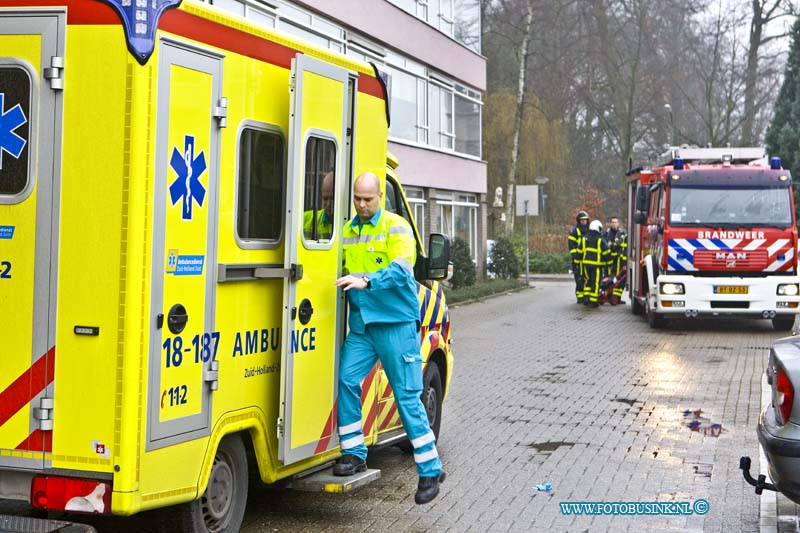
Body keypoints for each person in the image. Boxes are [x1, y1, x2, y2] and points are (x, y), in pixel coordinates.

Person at [333, 172, 445, 505]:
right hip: (364, 327)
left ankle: (429, 470)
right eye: (357, 198)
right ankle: (354, 453)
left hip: (396, 325)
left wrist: (367, 281)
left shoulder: (396, 226)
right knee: (347, 379)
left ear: (380, 196)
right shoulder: (349, 230)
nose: (362, 205)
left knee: (408, 398)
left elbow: (402, 268)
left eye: (368, 199)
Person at [581, 220, 611, 308]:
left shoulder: (584, 238)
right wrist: (610, 264)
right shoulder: (600, 240)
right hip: (596, 266)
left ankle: (586, 298)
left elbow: (579, 252)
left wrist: (577, 263)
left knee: (587, 281)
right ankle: (593, 301)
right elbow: (607, 253)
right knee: (595, 283)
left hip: (585, 265)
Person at [602, 217, 627, 305]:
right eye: (612, 222)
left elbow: (621, 246)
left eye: (616, 222)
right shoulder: (606, 233)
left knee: (619, 279)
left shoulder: (622, 233)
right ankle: (608, 296)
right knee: (609, 278)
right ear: (610, 223)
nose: (614, 224)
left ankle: (617, 298)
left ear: (618, 223)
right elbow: (605, 245)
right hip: (609, 260)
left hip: (619, 260)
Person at [303, 171, 334, 240]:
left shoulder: (348, 224)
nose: (328, 204)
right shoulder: (305, 219)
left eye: (332, 198)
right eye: (325, 199)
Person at [568, 211, 590, 303]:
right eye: (582, 220)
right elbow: (571, 245)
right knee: (579, 279)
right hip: (577, 260)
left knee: (587, 278)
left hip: (587, 259)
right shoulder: (574, 231)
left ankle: (586, 297)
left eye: (585, 220)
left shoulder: (590, 230)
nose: (584, 222)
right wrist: (576, 256)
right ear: (578, 221)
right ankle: (580, 297)